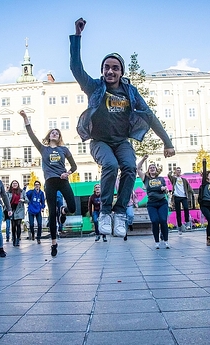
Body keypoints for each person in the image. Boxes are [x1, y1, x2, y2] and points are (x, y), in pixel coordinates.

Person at [70, 17, 175, 239]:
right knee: (110, 165)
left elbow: (149, 115)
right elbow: (76, 68)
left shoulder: (131, 92)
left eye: (115, 68)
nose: (110, 72)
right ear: (102, 71)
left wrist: (167, 141)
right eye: (107, 68)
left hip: (121, 142)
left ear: (121, 72)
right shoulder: (94, 87)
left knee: (128, 167)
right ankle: (106, 212)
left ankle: (119, 213)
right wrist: (77, 37)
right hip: (99, 141)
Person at [19, 110, 76, 257]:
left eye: (57, 133)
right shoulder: (43, 149)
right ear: (49, 136)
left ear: (60, 137)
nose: (55, 134)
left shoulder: (64, 149)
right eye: (53, 132)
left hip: (63, 181)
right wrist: (26, 118)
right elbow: (31, 135)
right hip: (50, 182)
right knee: (51, 214)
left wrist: (67, 173)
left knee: (73, 207)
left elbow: (74, 166)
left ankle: (62, 211)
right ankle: (53, 243)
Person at [137, 155, 170, 249]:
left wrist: (165, 189)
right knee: (155, 221)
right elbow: (138, 168)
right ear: (148, 170)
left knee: (163, 220)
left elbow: (166, 189)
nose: (152, 168)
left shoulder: (161, 179)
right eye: (150, 168)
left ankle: (166, 240)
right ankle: (157, 241)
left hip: (162, 202)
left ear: (156, 169)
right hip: (152, 203)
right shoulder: (146, 178)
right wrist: (143, 159)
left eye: (153, 167)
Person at [168, 167, 194, 234]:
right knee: (178, 212)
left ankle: (187, 222)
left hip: (184, 196)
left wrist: (192, 193)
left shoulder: (184, 180)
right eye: (177, 171)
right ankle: (179, 226)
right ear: (175, 172)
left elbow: (189, 187)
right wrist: (171, 171)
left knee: (186, 208)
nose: (179, 172)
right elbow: (169, 175)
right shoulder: (174, 179)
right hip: (177, 197)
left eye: (179, 171)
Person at [6, 180, 26, 247]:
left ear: (18, 184)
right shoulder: (9, 192)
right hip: (11, 209)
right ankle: (14, 238)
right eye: (13, 183)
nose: (14, 184)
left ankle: (18, 239)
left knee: (18, 224)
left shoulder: (22, 191)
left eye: (16, 183)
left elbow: (27, 200)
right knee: (13, 225)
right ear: (11, 184)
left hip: (19, 209)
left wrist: (23, 200)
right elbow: (5, 199)